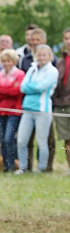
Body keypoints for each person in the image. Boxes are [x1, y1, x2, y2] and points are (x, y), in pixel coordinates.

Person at [15, 44, 58, 174]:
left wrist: (31, 87)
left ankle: (41, 168)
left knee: (42, 141)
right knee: (22, 140)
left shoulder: (52, 71)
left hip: (42, 110)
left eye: (44, 55)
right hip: (28, 109)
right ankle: (23, 167)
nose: (42, 57)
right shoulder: (32, 69)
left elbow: (42, 87)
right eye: (39, 55)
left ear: (49, 56)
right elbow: (22, 87)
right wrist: (33, 87)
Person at [0, 49, 24, 172]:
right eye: (4, 61)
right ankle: (6, 165)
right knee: (2, 139)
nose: (6, 63)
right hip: (0, 112)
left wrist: (3, 90)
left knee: (9, 138)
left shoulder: (20, 74)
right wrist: (9, 89)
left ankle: (11, 164)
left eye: (8, 61)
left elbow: (18, 91)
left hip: (14, 112)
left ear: (14, 61)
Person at [54, 28, 70, 173]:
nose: (68, 41)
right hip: (62, 104)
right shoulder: (60, 61)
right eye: (66, 38)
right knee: (67, 138)